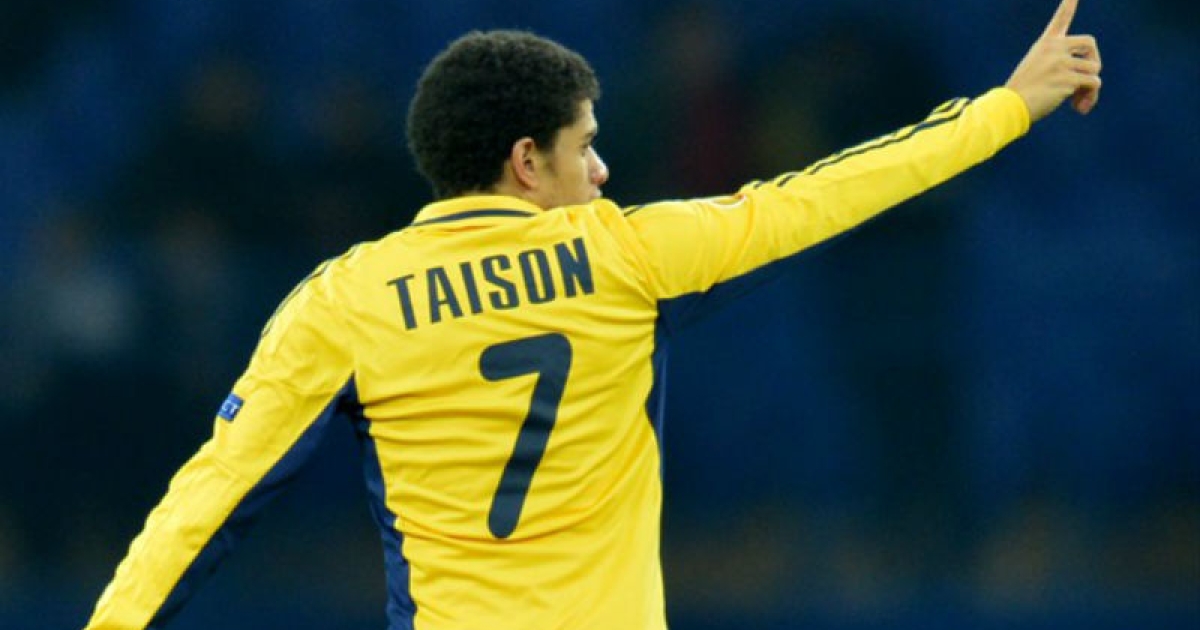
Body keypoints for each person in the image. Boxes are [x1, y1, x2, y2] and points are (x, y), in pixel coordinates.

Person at [83, 0, 1101, 628]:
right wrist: (1008, 106)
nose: (603, 170)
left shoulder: (344, 302)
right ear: (527, 161)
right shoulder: (628, 256)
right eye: (586, 146)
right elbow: (829, 192)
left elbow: (206, 503)